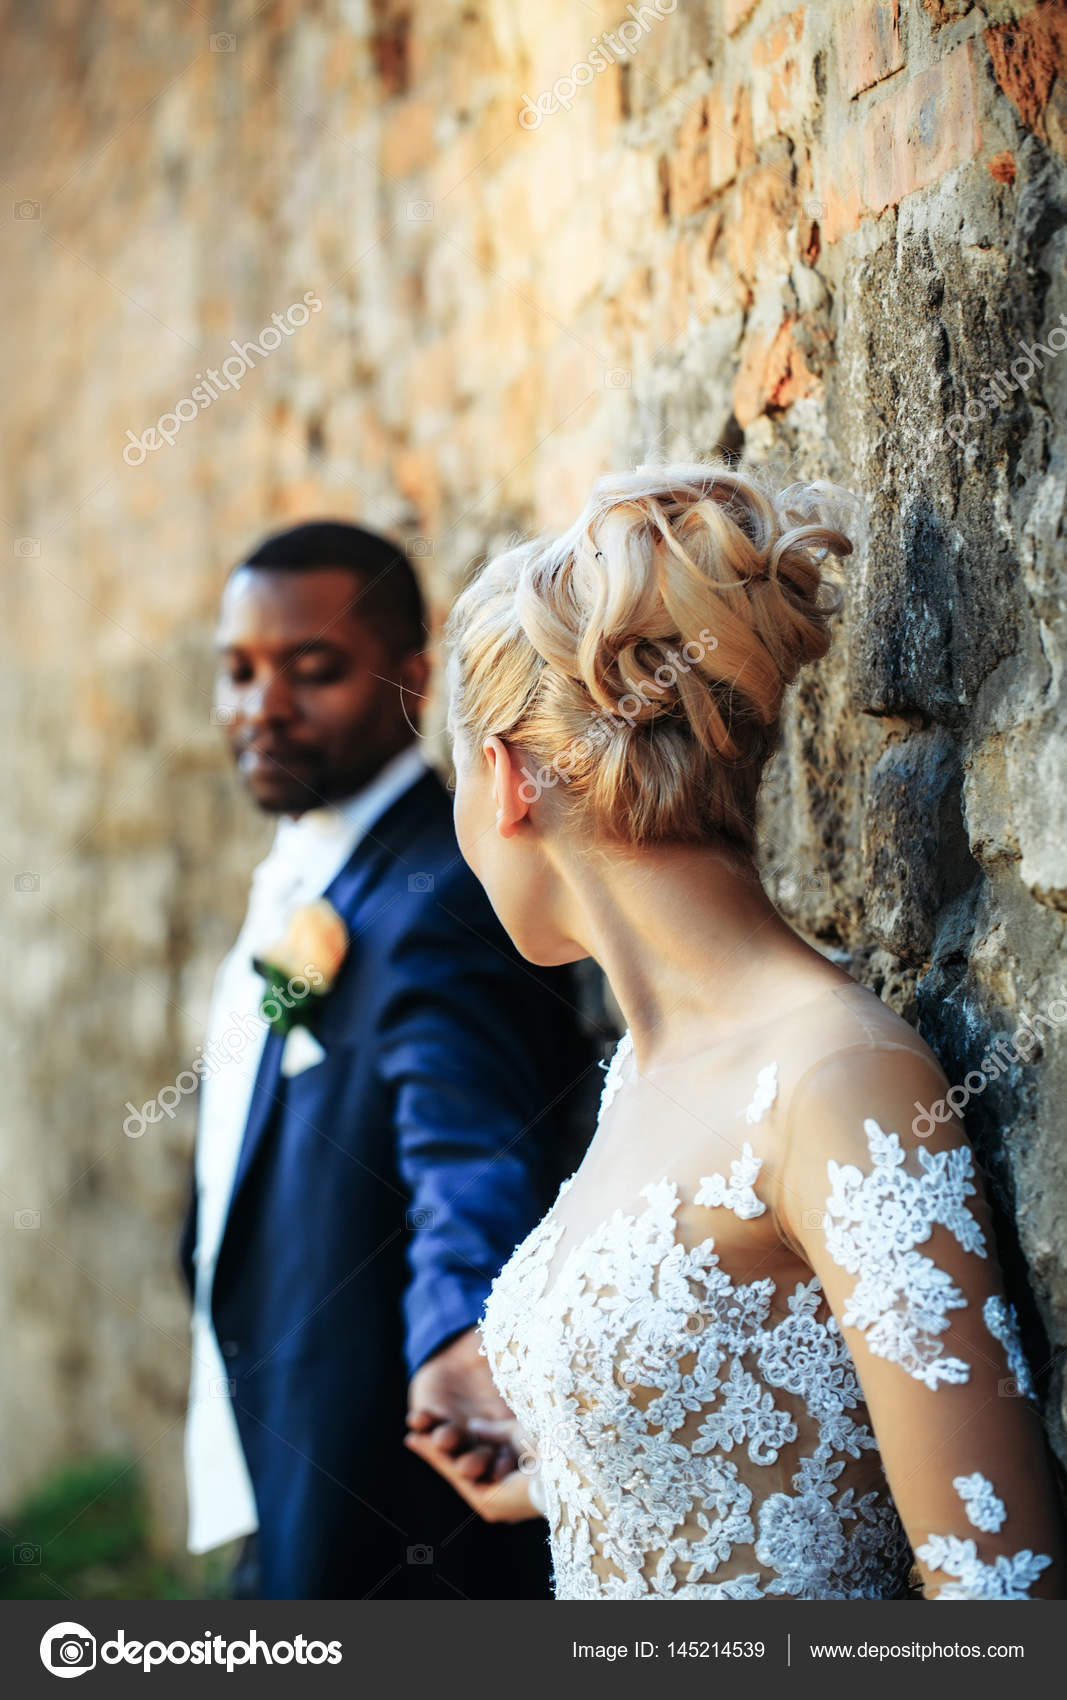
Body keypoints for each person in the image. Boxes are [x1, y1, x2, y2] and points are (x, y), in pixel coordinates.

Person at [405, 462, 1067, 1600]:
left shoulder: (835, 1077)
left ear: (507, 782)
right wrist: (566, 1457)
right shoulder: (638, 1075)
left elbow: (1003, 1593)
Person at [177, 519, 595, 1600]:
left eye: (310, 669)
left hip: (380, 1488)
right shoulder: (315, 875)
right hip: (275, 1436)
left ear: (409, 678)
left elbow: (468, 1150)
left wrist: (458, 1330)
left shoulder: (441, 896)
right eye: (237, 669)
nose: (261, 705)